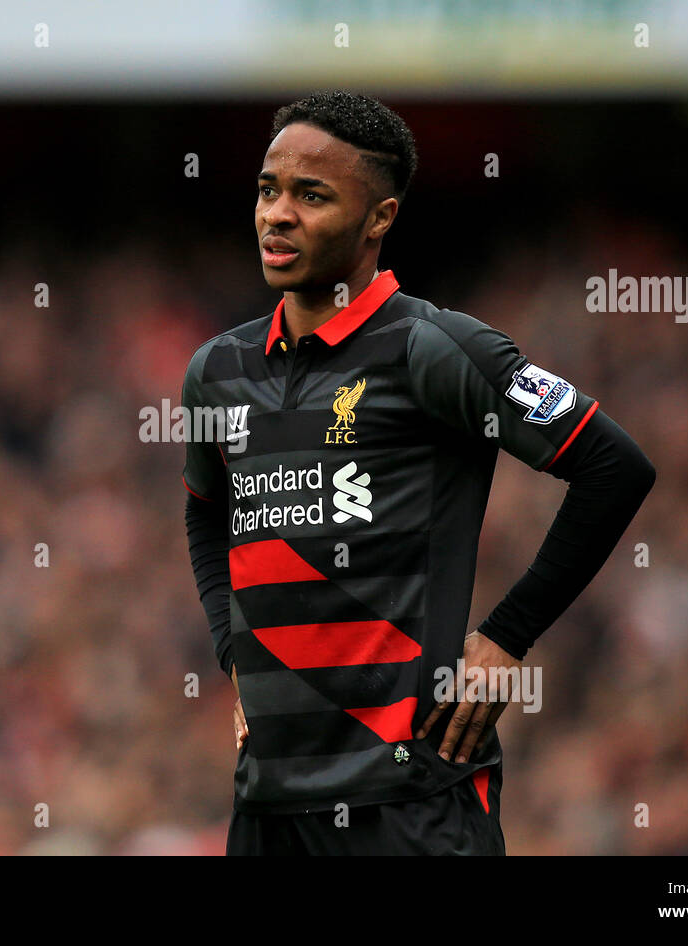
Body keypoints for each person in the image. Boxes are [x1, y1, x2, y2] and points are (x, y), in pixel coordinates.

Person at [181, 90, 655, 855]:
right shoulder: (217, 370)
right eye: (269, 189)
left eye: (313, 195)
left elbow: (614, 465)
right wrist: (234, 653)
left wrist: (507, 637)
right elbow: (207, 509)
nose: (277, 214)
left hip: (409, 801)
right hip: (266, 802)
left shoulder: (434, 349)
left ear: (380, 218)